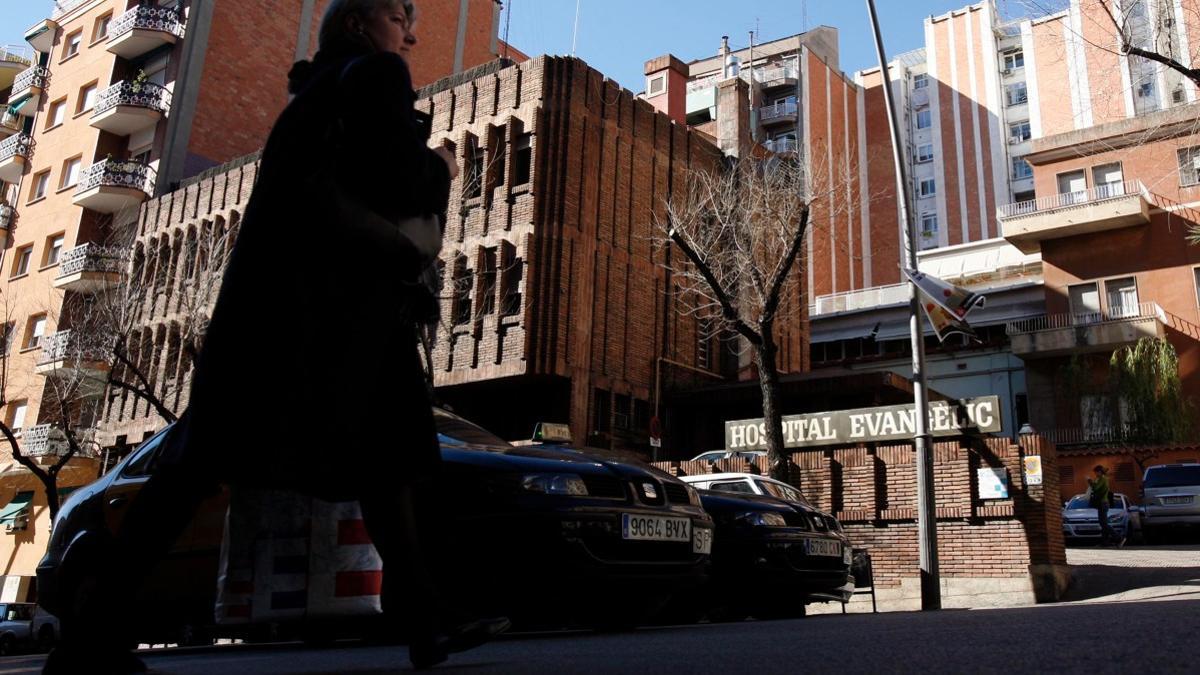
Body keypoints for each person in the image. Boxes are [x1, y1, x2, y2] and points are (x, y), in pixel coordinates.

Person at [44, 1, 505, 672]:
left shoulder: (311, 99)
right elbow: (398, 182)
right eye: (400, 16)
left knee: (270, 460)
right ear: (360, 25)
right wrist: (438, 168)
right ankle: (91, 624)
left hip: (271, 309)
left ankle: (425, 614)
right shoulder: (376, 74)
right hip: (334, 316)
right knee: (377, 459)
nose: (410, 32)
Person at [1087, 464, 1120, 546]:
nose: (1095, 474)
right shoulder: (1100, 479)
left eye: (1096, 472)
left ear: (1100, 472)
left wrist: (1091, 482)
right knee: (1103, 523)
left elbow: (1096, 488)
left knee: (1103, 523)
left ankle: (1118, 537)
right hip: (1101, 503)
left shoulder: (1103, 479)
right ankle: (1105, 542)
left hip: (1103, 502)